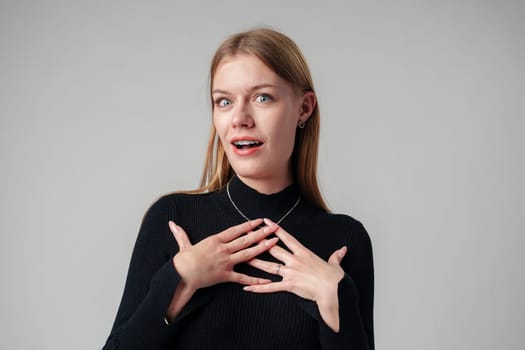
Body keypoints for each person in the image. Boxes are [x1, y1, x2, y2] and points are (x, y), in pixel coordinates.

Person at [103, 28, 374, 350]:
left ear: (304, 108)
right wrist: (177, 280)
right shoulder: (173, 219)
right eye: (224, 101)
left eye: (262, 98)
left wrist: (334, 298)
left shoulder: (344, 239)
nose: (240, 118)